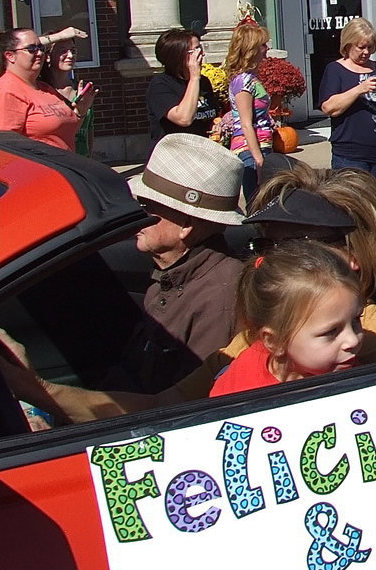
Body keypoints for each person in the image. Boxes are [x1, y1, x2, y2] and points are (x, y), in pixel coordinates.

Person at [0, 161, 376, 423]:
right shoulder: (256, 341)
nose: (268, 261)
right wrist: (38, 391)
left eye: (297, 249)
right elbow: (166, 407)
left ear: (349, 259)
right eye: (266, 245)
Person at [104, 133, 246, 393]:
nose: (138, 215)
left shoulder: (220, 298)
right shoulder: (167, 275)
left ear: (186, 226)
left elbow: (187, 404)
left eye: (147, 206)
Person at [209, 241, 363, 397]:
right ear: (274, 342)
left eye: (356, 320)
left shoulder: (351, 369)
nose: (352, 340)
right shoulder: (241, 398)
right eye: (331, 332)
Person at [317, 17, 376, 190]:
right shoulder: (335, 70)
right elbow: (329, 107)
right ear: (348, 44)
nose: (366, 52)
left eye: (370, 47)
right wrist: (359, 89)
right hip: (351, 153)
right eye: (361, 47)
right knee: (353, 201)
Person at [0, 27, 89, 151]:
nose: (39, 53)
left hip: (64, 165)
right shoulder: (6, 92)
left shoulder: (45, 88)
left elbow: (67, 131)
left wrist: (81, 110)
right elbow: (4, 149)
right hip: (36, 168)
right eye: (31, 49)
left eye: (41, 48)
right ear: (10, 56)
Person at [224, 22, 274, 202]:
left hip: (262, 144)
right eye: (262, 45)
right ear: (251, 49)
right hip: (250, 150)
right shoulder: (243, 81)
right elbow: (246, 123)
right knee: (258, 201)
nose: (266, 48)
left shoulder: (253, 78)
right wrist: (258, 159)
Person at [145, 28, 220, 143]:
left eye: (201, 49)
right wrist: (194, 78)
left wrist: (216, 125)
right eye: (195, 51)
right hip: (175, 155)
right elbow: (184, 119)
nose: (202, 54)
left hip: (202, 152)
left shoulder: (203, 82)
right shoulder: (160, 85)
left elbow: (211, 115)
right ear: (178, 56)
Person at [39, 36, 98, 157]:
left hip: (81, 161)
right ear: (48, 56)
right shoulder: (40, 90)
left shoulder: (82, 89)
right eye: (63, 51)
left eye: (73, 50)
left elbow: (89, 129)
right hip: (55, 161)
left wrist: (90, 158)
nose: (70, 55)